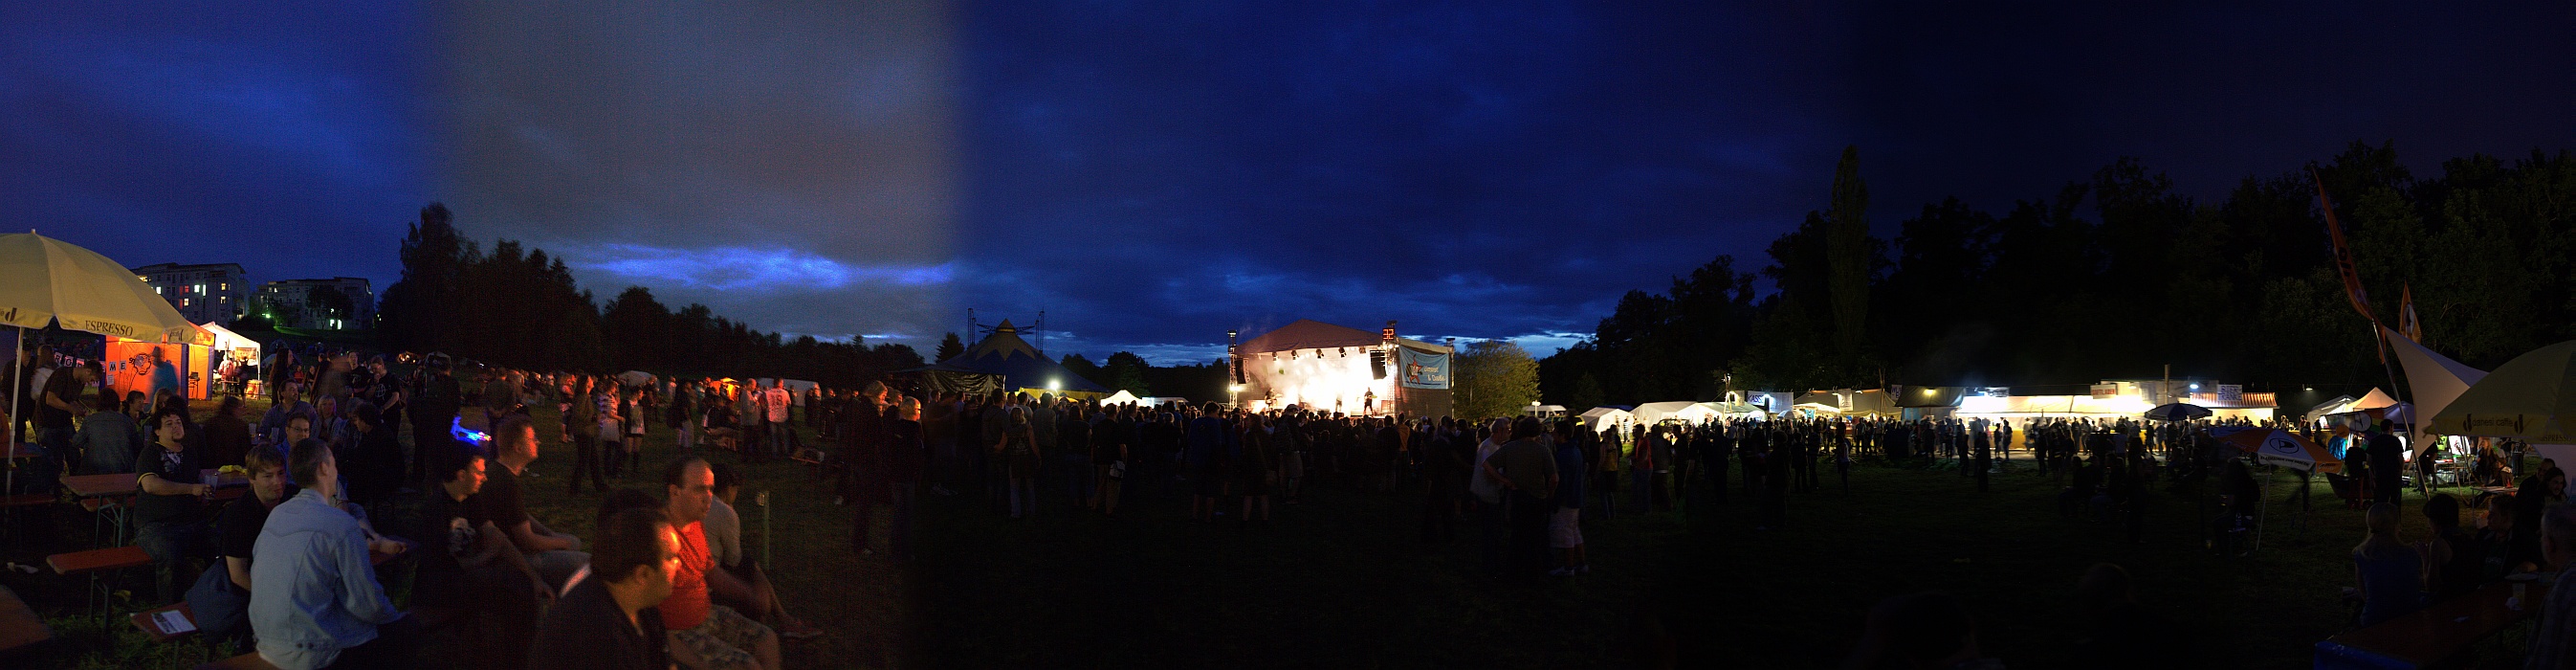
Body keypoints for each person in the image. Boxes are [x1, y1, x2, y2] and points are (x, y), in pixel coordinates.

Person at [250, 438, 417, 670]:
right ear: (324, 468)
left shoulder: (278, 514)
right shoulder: (340, 523)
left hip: (266, 641)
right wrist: (395, 617)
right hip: (310, 653)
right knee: (406, 629)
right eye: (334, 465)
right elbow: (366, 603)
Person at [413, 443, 542, 668]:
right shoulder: (436, 510)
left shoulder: (471, 498)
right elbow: (454, 566)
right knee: (510, 593)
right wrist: (490, 555)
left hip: (466, 576)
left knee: (520, 585)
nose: (485, 478)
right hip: (440, 587)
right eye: (480, 472)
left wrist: (533, 577)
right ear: (461, 475)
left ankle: (516, 656)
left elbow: (496, 536)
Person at [660, 457, 783, 670]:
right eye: (700, 489)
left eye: (711, 489)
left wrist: (749, 595)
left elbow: (710, 570)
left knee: (767, 639)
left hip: (707, 614)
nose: (709, 497)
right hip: (679, 631)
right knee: (747, 665)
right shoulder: (659, 534)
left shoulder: (695, 522)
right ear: (675, 492)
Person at [528, 507, 679, 670]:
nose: (679, 564)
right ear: (642, 574)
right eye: (671, 558)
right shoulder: (597, 636)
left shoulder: (642, 603)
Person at [185, 443, 293, 646]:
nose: (278, 482)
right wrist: (276, 598)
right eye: (268, 476)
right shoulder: (240, 515)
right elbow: (238, 575)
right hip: (251, 591)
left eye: (281, 473)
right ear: (251, 478)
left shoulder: (290, 502)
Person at [703, 463, 825, 638]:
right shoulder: (724, 512)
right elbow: (733, 559)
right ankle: (783, 619)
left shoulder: (700, 503)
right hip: (709, 580)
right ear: (729, 488)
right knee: (750, 566)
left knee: (750, 565)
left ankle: (780, 619)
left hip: (702, 573)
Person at [481, 415, 592, 592]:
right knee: (587, 564)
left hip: (509, 549)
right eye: (533, 439)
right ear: (518, 448)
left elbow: (520, 516)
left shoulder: (497, 470)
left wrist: (551, 535)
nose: (538, 442)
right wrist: (561, 543)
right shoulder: (507, 483)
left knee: (573, 541)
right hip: (512, 558)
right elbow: (528, 542)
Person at [134, 408, 216, 602]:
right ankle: (170, 609)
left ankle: (209, 599)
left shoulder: (189, 454)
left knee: (220, 545)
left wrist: (203, 495)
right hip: (156, 524)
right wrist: (190, 489)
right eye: (169, 424)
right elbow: (150, 485)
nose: (176, 427)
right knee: (170, 556)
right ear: (157, 431)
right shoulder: (150, 453)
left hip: (190, 522)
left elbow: (196, 483)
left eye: (178, 422)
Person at [1486, 416, 1557, 582]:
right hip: (1538, 498)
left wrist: (1505, 481)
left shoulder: (1509, 448)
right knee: (1535, 537)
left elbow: (1487, 465)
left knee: (1517, 536)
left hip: (1518, 497)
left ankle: (1514, 572)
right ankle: (1534, 573)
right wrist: (1550, 494)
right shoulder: (1542, 450)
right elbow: (1554, 478)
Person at [2352, 502, 2425, 627]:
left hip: (2374, 618)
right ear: (2396, 525)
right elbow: (2416, 584)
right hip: (2409, 617)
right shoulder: (2410, 553)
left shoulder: (2362, 554)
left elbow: (2364, 593)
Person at [407, 353, 462, 481]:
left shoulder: (422, 380)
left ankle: (418, 476)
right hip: (441, 426)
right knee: (439, 453)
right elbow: (456, 405)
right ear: (449, 369)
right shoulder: (452, 383)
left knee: (420, 451)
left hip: (422, 423)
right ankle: (437, 478)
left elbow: (411, 401)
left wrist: (414, 420)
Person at [1550, 421, 1588, 577]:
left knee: (1565, 533)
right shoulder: (1575, 450)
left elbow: (1562, 481)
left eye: (1554, 432)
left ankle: (1568, 567)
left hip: (1567, 500)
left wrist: (1555, 499)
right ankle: (1581, 563)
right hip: (1576, 497)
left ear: (1562, 435)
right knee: (1574, 531)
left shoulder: (1564, 454)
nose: (1552, 434)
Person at [70, 391, 138, 474]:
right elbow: (137, 446)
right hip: (122, 469)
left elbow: (76, 442)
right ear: (117, 403)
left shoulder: (90, 421)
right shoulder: (127, 421)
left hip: (94, 470)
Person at [2367, 420, 2404, 509]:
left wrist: (2372, 471)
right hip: (2394, 474)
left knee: (2380, 499)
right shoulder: (2395, 440)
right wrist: (2401, 470)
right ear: (2390, 427)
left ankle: (2379, 516)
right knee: (2395, 500)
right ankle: (2394, 516)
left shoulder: (2374, 441)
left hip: (2380, 474)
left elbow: (2369, 459)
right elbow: (2400, 457)